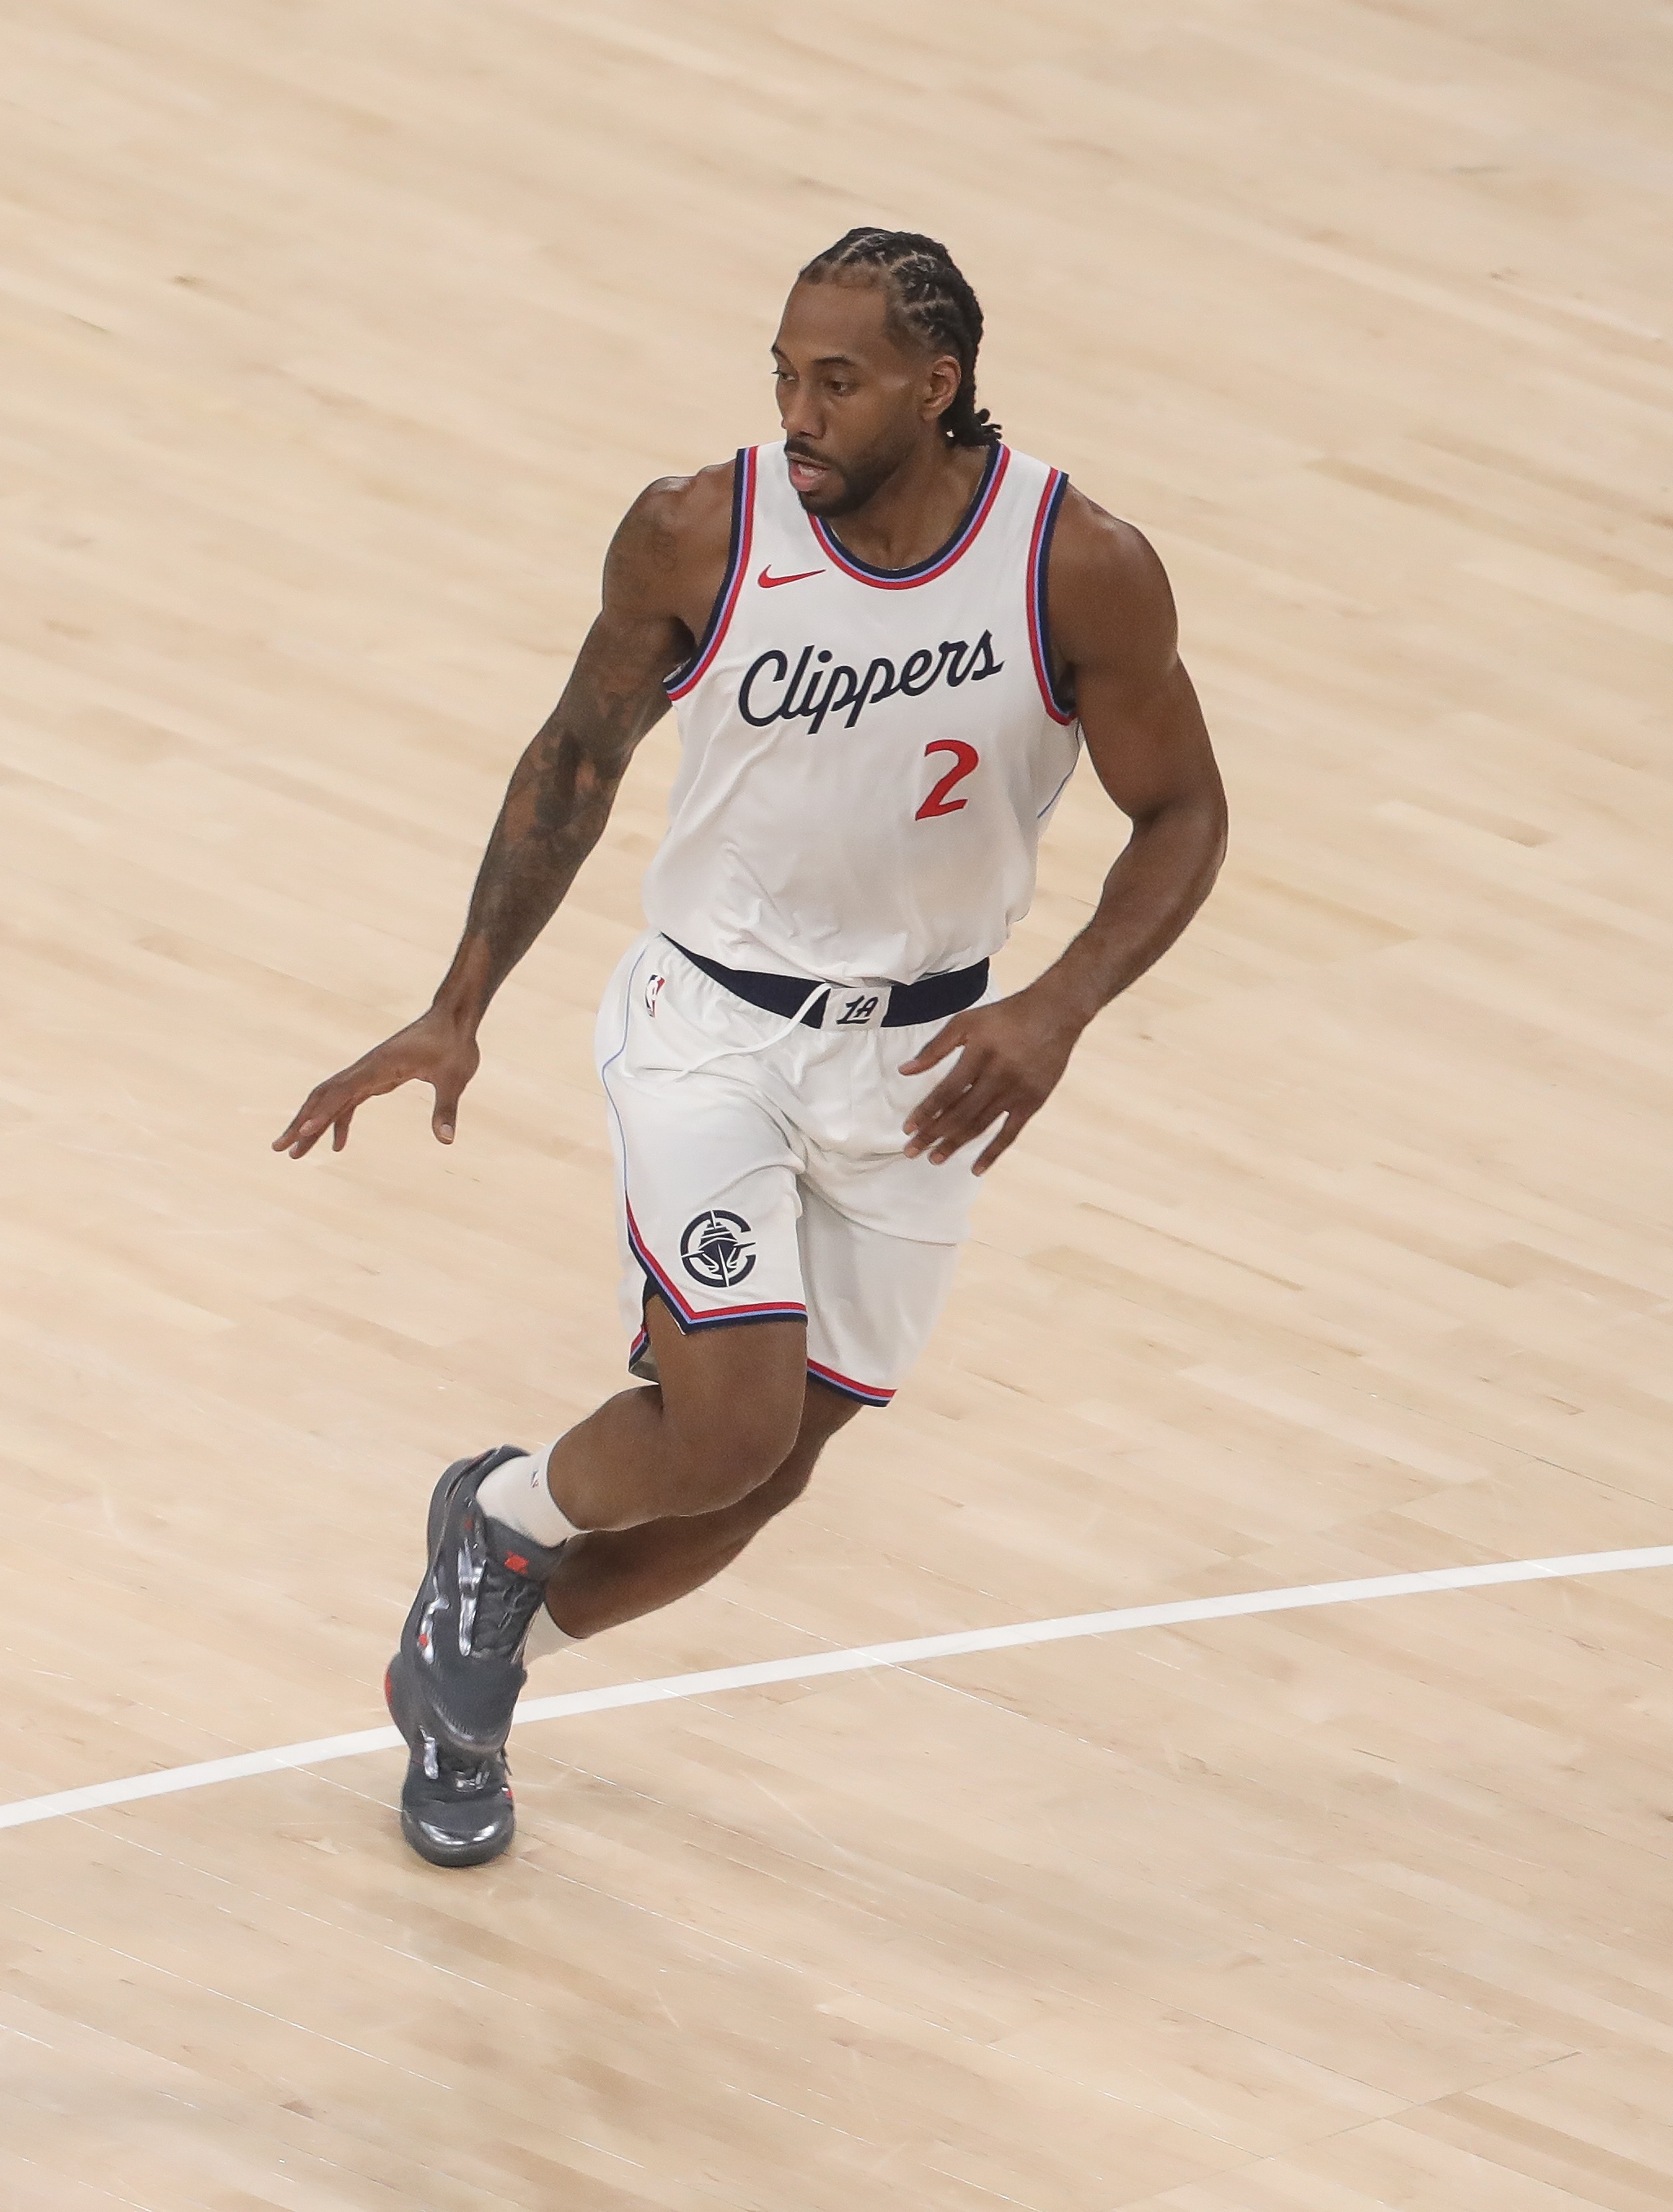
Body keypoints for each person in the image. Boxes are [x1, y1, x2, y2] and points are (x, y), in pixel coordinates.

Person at [275, 229, 1227, 1870]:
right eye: (782, 374)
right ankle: (501, 1520)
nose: (796, 411)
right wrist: (458, 1002)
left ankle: (479, 1633)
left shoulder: (1075, 567)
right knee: (723, 1423)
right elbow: (574, 757)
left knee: (770, 1472)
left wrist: (1058, 1002)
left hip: (921, 1065)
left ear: (934, 387)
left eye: (836, 382)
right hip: (708, 1027)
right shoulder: (695, 532)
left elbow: (1184, 809)